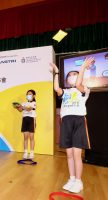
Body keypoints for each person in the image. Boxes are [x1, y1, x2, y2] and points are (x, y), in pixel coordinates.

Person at [50, 57, 94, 193]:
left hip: (78, 121)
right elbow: (56, 88)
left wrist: (82, 68)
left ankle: (79, 181)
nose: (71, 77)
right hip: (66, 122)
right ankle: (72, 178)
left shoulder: (84, 89)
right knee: (69, 154)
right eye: (69, 76)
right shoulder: (65, 92)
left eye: (74, 75)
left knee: (76, 154)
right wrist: (56, 72)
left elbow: (79, 83)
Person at [14, 90, 37, 159]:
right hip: (24, 120)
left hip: (31, 119)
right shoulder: (23, 103)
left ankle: (32, 153)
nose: (28, 95)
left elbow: (29, 109)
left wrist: (22, 106)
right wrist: (17, 107)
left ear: (34, 95)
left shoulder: (34, 103)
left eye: (30, 94)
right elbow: (20, 110)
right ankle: (26, 152)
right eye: (27, 94)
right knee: (25, 137)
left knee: (31, 137)